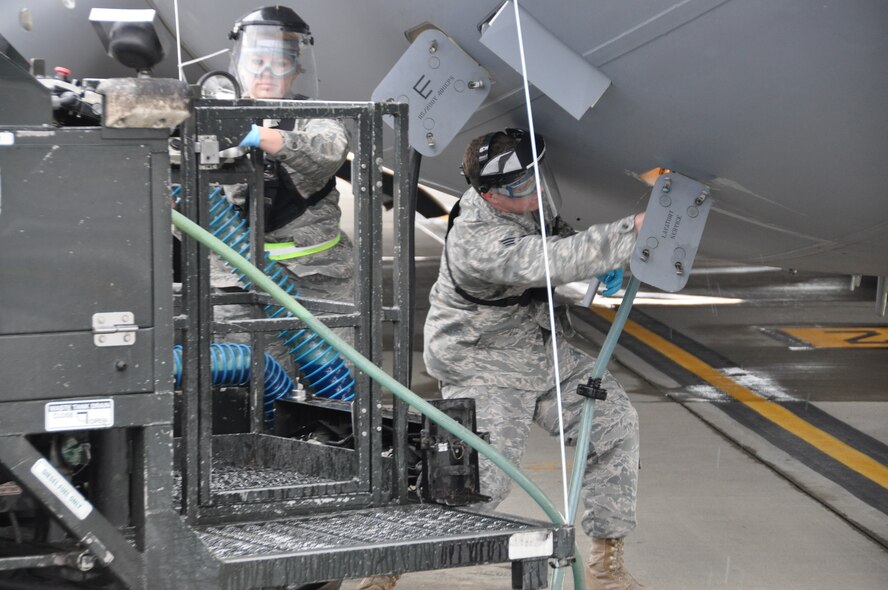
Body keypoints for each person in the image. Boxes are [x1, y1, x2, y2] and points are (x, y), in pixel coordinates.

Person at [402, 128, 646, 590]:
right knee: (481, 482)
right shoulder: (477, 240)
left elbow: (559, 237)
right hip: (481, 359)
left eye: (535, 178)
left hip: (536, 345)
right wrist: (627, 233)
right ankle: (388, 557)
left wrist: (605, 264)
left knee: (614, 424)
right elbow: (546, 260)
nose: (533, 191)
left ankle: (605, 568)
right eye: (518, 188)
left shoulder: (530, 196)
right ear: (488, 194)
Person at [210, 6, 353, 377]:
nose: (268, 73)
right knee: (243, 386)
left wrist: (256, 135)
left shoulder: (316, 117)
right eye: (258, 61)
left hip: (319, 283)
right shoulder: (210, 119)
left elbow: (328, 152)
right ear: (239, 62)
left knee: (335, 389)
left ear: (297, 69)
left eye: (280, 63)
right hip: (236, 284)